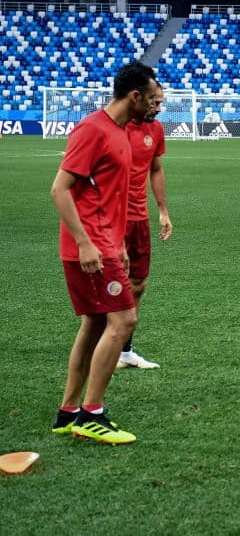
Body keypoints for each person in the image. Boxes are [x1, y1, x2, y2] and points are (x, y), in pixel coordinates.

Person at [50, 61, 161, 445]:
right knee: (125, 321)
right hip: (89, 248)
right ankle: (91, 413)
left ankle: (68, 411)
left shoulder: (120, 132)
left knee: (96, 324)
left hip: (106, 246)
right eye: (150, 99)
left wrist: (119, 247)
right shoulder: (92, 129)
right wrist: (85, 243)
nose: (154, 107)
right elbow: (60, 190)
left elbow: (107, 197)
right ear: (134, 97)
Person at [118, 82, 173, 370]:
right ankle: (105, 346)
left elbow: (155, 168)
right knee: (112, 284)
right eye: (156, 102)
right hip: (111, 221)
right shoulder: (113, 127)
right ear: (138, 98)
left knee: (137, 284)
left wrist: (163, 211)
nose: (159, 108)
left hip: (139, 219)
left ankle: (124, 351)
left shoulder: (156, 130)